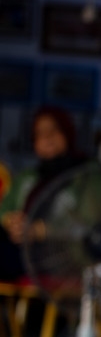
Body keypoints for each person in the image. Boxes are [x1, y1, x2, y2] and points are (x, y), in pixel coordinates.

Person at [0, 106, 90, 280]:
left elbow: (89, 222)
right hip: (20, 247)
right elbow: (5, 207)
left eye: (53, 130)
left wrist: (38, 230)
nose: (47, 138)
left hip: (62, 254)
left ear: (67, 133)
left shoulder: (86, 176)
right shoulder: (29, 176)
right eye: (40, 134)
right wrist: (12, 222)